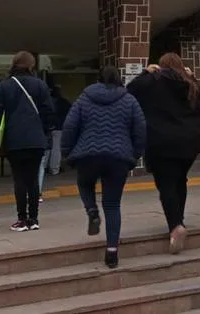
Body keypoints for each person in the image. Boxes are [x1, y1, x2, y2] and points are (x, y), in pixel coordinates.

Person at [62, 66, 146, 269]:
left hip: (87, 155)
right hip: (118, 157)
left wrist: (67, 152)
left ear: (98, 79)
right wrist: (134, 155)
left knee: (84, 183)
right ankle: (112, 252)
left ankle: (91, 210)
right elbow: (141, 129)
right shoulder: (129, 100)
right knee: (112, 205)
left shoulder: (84, 98)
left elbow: (70, 126)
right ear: (119, 79)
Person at [127, 53, 200, 255]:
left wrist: (146, 72)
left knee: (166, 185)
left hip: (161, 142)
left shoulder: (153, 82)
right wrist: (192, 76)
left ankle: (175, 226)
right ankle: (179, 220)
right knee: (180, 181)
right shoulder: (190, 85)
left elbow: (131, 90)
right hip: (189, 143)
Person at [0, 51, 54, 232]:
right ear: (31, 65)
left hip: (14, 140)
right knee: (33, 179)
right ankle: (34, 219)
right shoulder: (40, 85)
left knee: (19, 179)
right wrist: (44, 131)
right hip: (36, 139)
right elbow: (49, 112)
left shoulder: (4, 86)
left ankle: (21, 219)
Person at [39, 76, 72, 201]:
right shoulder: (63, 102)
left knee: (47, 150)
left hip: (48, 128)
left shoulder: (47, 101)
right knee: (56, 149)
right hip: (59, 127)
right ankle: (54, 169)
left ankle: (47, 168)